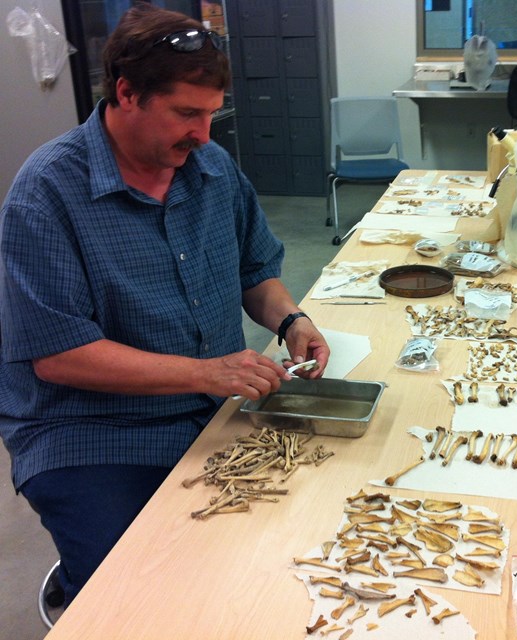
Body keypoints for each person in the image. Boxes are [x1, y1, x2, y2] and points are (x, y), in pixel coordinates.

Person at [0, 3, 329, 607]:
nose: (204, 134)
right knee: (141, 589)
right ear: (127, 93)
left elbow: (255, 271)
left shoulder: (212, 168)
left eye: (210, 113)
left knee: (287, 548)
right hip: (90, 430)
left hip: (204, 405)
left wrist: (290, 319)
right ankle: (82, 590)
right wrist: (207, 373)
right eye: (186, 113)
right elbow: (59, 357)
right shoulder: (45, 194)